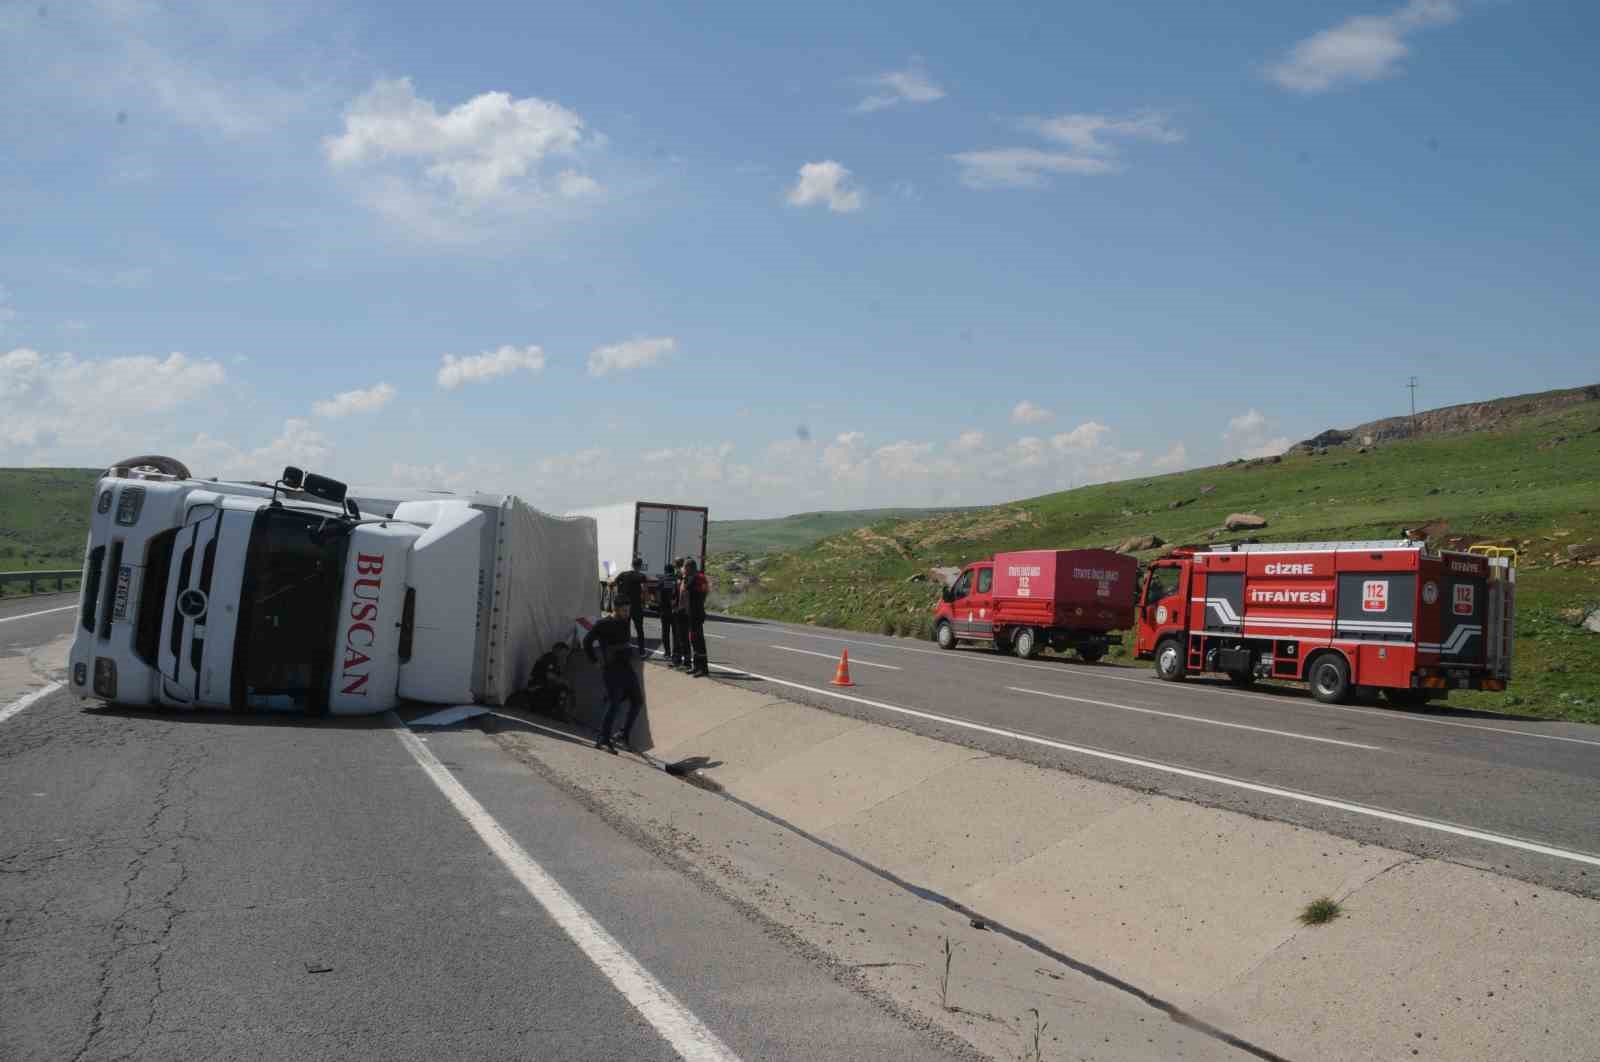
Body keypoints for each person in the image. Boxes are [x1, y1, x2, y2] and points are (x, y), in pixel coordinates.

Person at [583, 602, 644, 752]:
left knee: (637, 700)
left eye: (628, 610)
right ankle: (603, 739)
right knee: (614, 704)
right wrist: (594, 660)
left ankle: (623, 735)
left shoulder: (625, 622)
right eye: (624, 611)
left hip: (627, 668)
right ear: (615, 610)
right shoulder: (603, 624)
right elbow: (587, 641)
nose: (627, 613)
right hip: (611, 669)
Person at [612, 556, 648, 655]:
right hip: (636, 606)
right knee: (639, 629)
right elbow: (644, 590)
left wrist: (619, 592)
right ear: (640, 566)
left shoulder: (623, 574)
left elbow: (613, 583)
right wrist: (644, 602)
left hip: (625, 607)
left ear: (632, 565)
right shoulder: (641, 576)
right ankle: (642, 652)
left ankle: (625, 649)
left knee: (624, 628)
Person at [684, 557, 710, 677]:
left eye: (685, 567)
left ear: (690, 568)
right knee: (694, 639)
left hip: (695, 613)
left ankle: (702, 668)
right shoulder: (700, 577)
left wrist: (684, 577)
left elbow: (687, 587)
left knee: (698, 641)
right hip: (695, 612)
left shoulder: (695, 577)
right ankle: (697, 666)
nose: (684, 570)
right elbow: (705, 592)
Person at [671, 558, 692, 670]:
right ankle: (678, 660)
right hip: (679, 610)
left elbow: (683, 595)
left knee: (682, 637)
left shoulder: (685, 579)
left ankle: (685, 661)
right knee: (678, 636)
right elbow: (676, 594)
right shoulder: (680, 578)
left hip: (683, 611)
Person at [656, 560, 679, 662]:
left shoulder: (662, 580)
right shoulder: (677, 580)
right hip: (675, 610)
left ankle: (667, 653)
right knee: (675, 633)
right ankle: (675, 653)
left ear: (665, 571)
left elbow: (658, 595)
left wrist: (659, 605)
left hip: (664, 610)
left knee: (665, 632)